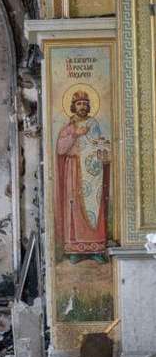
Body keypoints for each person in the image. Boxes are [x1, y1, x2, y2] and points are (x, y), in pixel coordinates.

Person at [55, 90, 111, 264]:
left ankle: (95, 249)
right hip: (73, 170)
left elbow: (97, 144)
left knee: (95, 205)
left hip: (92, 172)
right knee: (74, 206)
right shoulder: (69, 126)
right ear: (73, 106)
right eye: (79, 103)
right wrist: (75, 134)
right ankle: (75, 250)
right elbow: (60, 149)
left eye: (85, 103)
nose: (82, 106)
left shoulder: (93, 123)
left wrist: (101, 151)